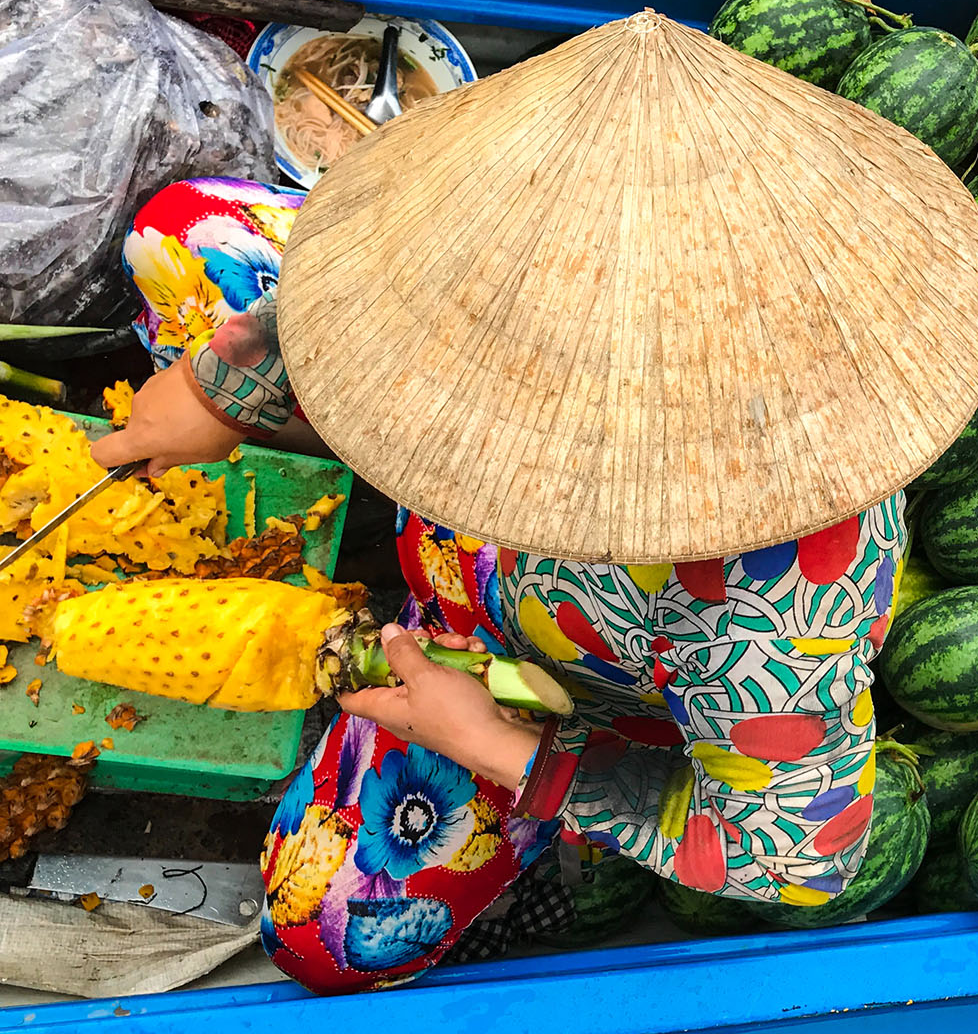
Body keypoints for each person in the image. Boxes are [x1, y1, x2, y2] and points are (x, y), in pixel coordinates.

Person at [96, 179, 903, 994]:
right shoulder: (565, 231)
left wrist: (495, 744)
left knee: (325, 939)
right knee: (185, 233)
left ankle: (531, 832)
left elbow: (794, 859)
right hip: (460, 548)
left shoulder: (779, 601)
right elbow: (394, 265)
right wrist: (229, 385)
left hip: (535, 691)